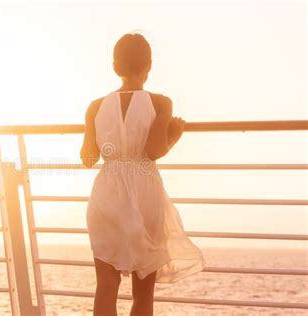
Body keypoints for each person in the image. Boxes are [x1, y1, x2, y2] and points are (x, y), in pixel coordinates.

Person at [80, 33, 205, 316]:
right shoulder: (161, 103)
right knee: (143, 292)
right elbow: (154, 150)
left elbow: (88, 159)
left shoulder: (95, 107)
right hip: (144, 192)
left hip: (107, 193)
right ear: (148, 65)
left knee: (106, 286)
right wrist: (173, 136)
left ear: (115, 65)